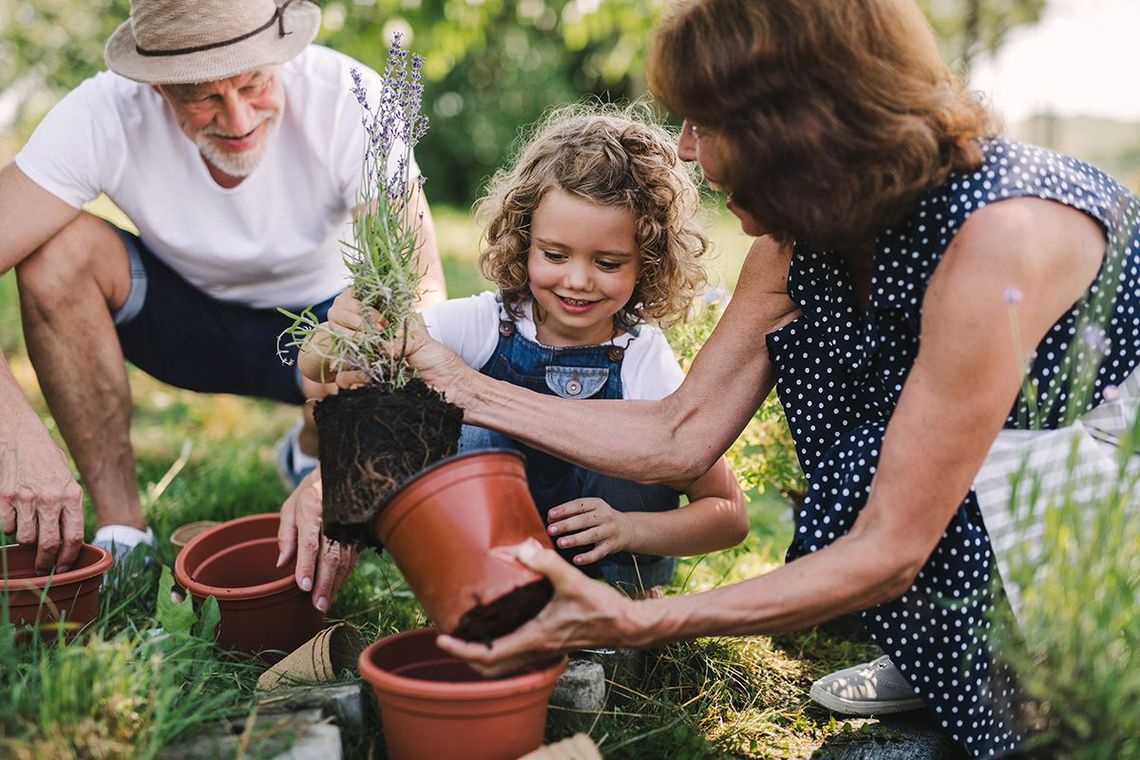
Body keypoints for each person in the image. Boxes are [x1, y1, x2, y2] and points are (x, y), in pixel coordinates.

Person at [354, 1, 1139, 758]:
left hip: (1101, 490)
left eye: (706, 123)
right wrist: (458, 390)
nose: (686, 151)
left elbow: (889, 546)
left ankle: (1032, 684)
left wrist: (640, 622)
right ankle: (946, 667)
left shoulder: (996, 241)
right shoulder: (805, 232)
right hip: (987, 461)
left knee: (1040, 690)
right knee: (874, 471)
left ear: (797, 128)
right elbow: (680, 433)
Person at [0, 0, 445, 574]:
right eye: (204, 97)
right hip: (181, 321)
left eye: (254, 83)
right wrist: (13, 431)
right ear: (157, 87)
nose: (238, 121)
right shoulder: (103, 111)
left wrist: (340, 463)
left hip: (320, 329)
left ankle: (308, 449)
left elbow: (424, 293)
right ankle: (123, 535)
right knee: (54, 253)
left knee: (379, 324)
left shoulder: (347, 96)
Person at [291, 107, 749, 600]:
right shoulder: (486, 324)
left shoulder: (642, 358)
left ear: (648, 262)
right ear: (524, 241)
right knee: (465, 427)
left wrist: (631, 529)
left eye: (608, 262)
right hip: (490, 572)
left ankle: (626, 599)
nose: (577, 280)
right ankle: (478, 591)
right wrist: (337, 333)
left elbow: (728, 514)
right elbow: (321, 369)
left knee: (640, 446)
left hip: (605, 578)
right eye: (554, 255)